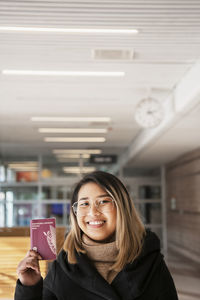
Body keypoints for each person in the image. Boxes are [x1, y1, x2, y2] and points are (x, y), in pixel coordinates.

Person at [15, 171, 178, 300]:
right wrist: (29, 287)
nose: (93, 212)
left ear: (122, 208)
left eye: (103, 201)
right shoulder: (63, 266)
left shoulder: (150, 261)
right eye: (84, 204)